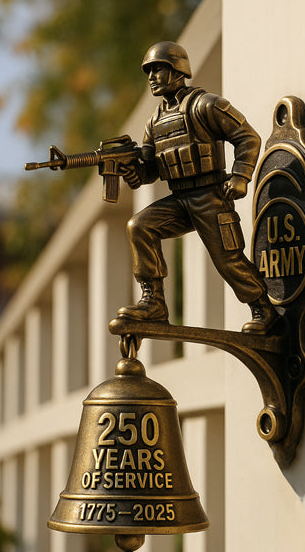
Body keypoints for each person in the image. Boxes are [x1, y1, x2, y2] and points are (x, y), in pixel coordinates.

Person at [118, 41, 278, 335]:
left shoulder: (206, 105)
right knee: (139, 225)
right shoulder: (154, 122)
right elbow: (149, 172)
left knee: (227, 259)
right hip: (180, 199)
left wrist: (240, 176)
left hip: (210, 195)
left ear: (178, 70)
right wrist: (131, 171)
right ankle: (154, 301)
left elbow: (248, 138)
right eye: (149, 71)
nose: (152, 77)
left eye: (158, 69)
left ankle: (263, 309)